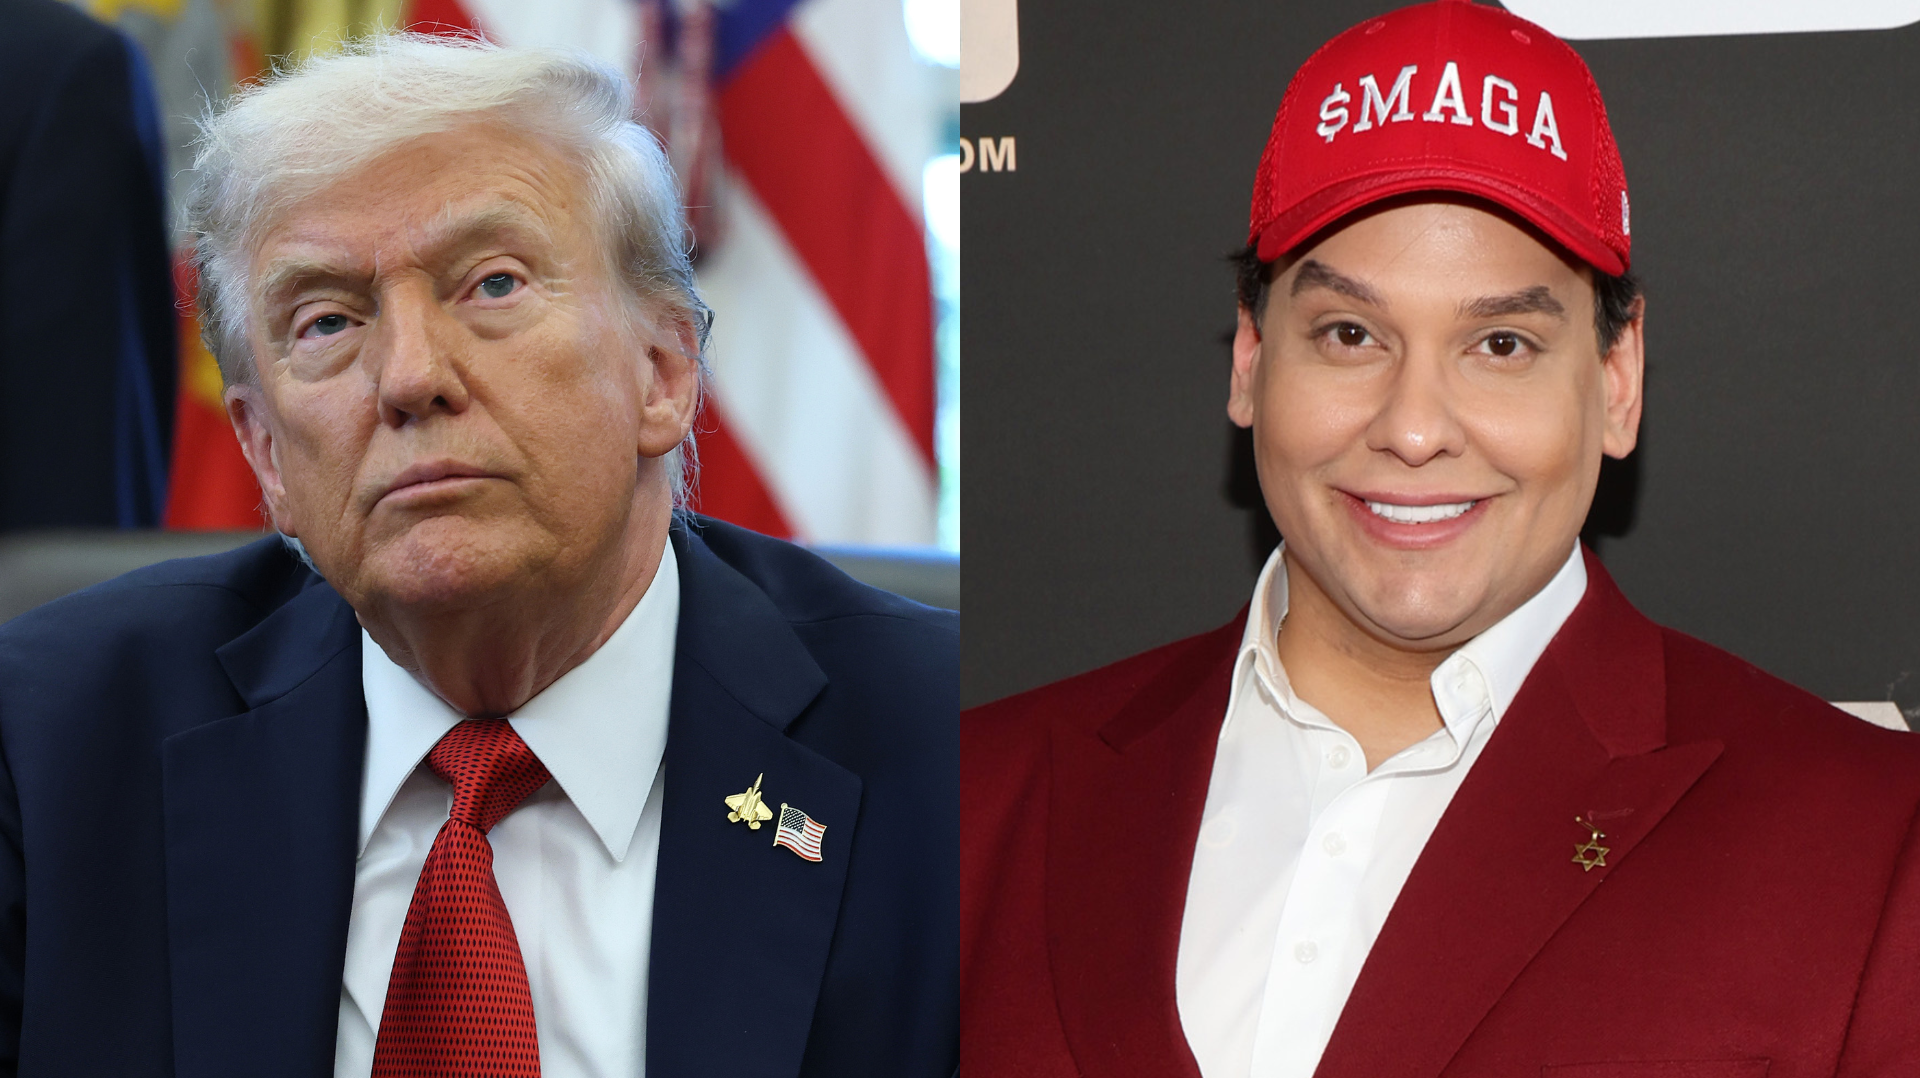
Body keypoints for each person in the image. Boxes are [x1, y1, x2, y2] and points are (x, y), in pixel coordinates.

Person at [961, 3, 1920, 1076]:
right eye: (1350, 334)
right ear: (1248, 359)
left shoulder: (1875, 847)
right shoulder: (973, 796)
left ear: (1617, 379)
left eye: (1500, 343)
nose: (1414, 428)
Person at [0, 34, 955, 1078]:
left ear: (665, 372)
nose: (410, 377)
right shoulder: (55, 748)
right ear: (265, 452)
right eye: (326, 320)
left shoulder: (954, 748)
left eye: (492, 285)